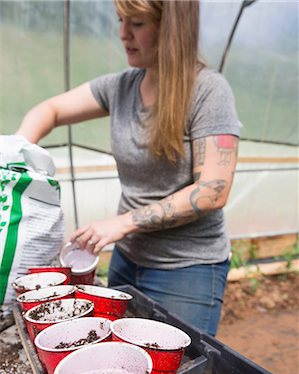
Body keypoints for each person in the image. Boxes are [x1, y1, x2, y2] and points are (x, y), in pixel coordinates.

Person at [16, 0, 240, 336]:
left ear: (171, 26)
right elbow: (50, 110)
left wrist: (122, 223)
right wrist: (16, 152)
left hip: (186, 270)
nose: (123, 34)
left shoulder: (208, 91)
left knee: (177, 373)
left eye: (136, 23)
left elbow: (212, 190)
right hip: (127, 259)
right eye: (120, 21)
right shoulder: (121, 87)